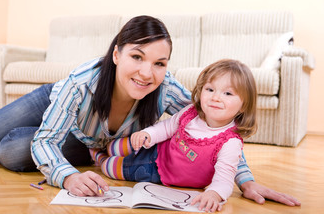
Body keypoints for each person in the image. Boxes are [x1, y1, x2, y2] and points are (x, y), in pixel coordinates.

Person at [0, 15, 300, 207]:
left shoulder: (165, 88)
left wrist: (246, 179)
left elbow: (214, 129)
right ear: (117, 54)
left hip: (87, 139)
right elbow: (47, 140)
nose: (147, 73)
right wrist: (68, 175)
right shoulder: (80, 83)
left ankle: (9, 140)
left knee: (12, 150)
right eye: (137, 56)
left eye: (159, 63)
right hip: (54, 102)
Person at [89, 59, 257, 212]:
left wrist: (214, 194)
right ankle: (106, 148)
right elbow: (167, 127)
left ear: (244, 105)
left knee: (112, 168)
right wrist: (148, 134)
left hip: (155, 172)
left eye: (228, 93)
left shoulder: (230, 142)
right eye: (210, 89)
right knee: (117, 146)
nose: (215, 97)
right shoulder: (191, 113)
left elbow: (225, 178)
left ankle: (99, 158)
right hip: (158, 149)